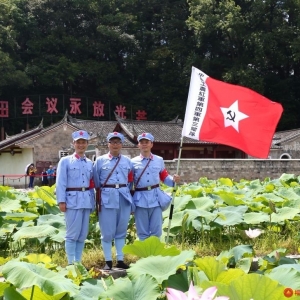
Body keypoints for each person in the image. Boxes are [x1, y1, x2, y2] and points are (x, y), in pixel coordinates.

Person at [93, 132, 133, 270]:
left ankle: (120, 260)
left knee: (121, 230)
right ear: (108, 144)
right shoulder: (100, 161)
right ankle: (108, 261)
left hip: (123, 196)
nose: (115, 144)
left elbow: (130, 180)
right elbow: (96, 181)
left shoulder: (128, 161)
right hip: (107, 197)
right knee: (107, 232)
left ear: (121, 144)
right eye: (112, 142)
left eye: (118, 142)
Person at [131, 132, 180, 241]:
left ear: (151, 144)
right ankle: (144, 255)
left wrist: (174, 180)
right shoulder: (132, 162)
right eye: (141, 142)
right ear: (138, 145)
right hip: (140, 199)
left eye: (147, 142)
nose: (144, 144)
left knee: (156, 231)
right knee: (142, 232)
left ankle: (155, 255)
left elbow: (164, 177)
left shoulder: (159, 160)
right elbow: (130, 183)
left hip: (155, 198)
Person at [56, 130, 95, 265]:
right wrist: (61, 201)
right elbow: (60, 182)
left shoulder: (90, 163)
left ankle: (78, 263)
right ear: (73, 143)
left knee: (82, 235)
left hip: (86, 200)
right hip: (72, 200)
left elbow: (91, 184)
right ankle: (70, 263)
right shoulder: (65, 161)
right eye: (78, 142)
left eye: (83, 142)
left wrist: (93, 202)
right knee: (72, 234)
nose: (81, 145)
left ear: (87, 144)